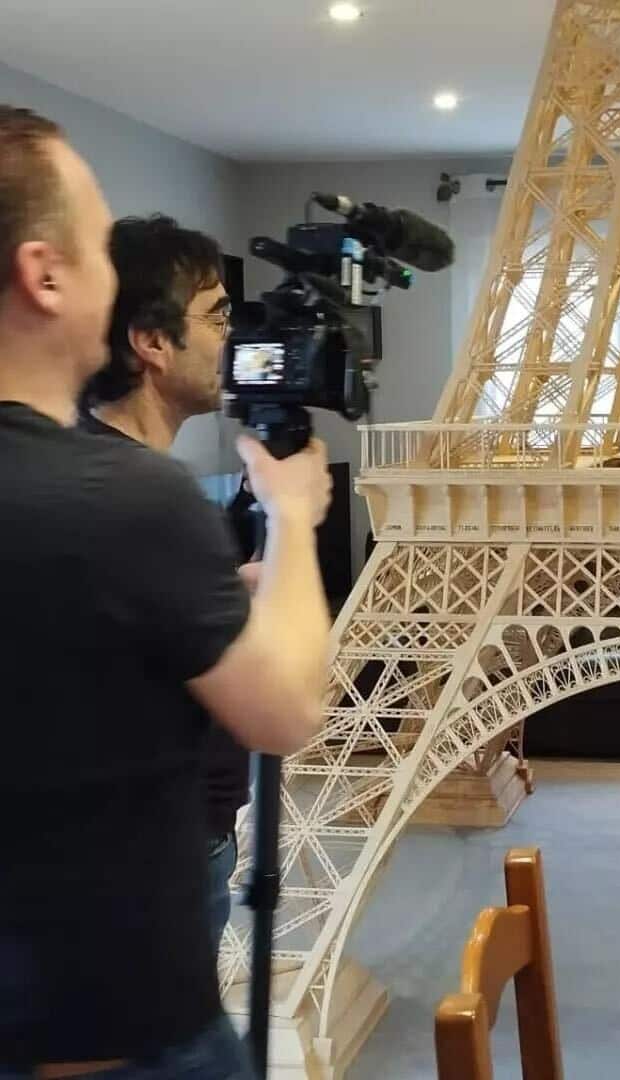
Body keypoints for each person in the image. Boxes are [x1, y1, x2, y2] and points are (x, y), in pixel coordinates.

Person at [0, 106, 332, 1074]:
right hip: (119, 1034)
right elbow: (287, 709)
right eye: (97, 241)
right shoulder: (128, 498)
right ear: (45, 273)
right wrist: (294, 516)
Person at [79, 213, 251, 953]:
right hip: (166, 848)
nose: (232, 339)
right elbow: (283, 712)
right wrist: (293, 511)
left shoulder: (91, 469)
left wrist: (222, 583)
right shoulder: (151, 496)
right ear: (152, 341)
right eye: (216, 317)